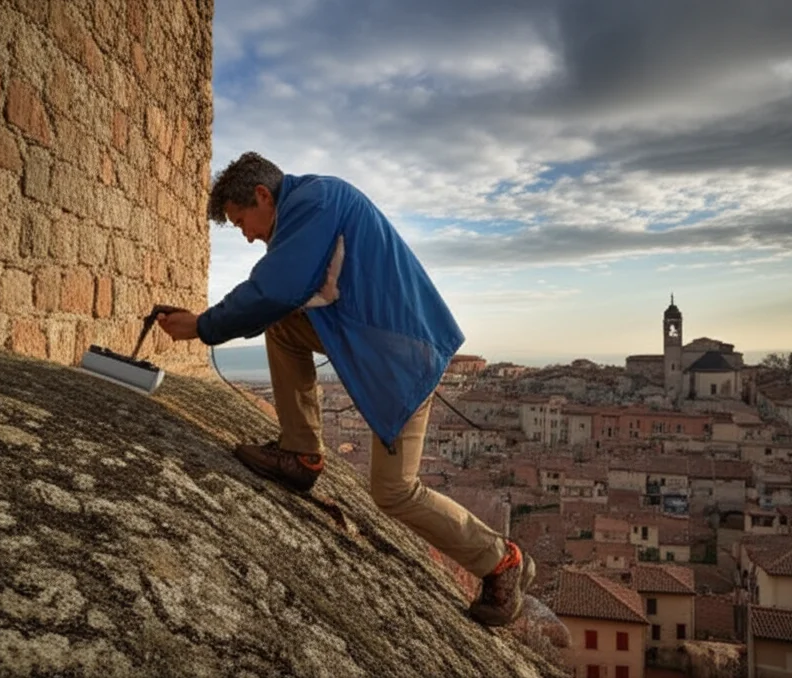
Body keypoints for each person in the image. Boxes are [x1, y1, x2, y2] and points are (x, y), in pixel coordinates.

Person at [156, 152, 534, 626]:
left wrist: (202, 326)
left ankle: (501, 561)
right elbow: (283, 298)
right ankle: (301, 452)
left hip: (403, 361)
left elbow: (274, 287)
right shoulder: (310, 205)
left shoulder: (314, 202)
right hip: (386, 350)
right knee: (282, 326)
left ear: (262, 196)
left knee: (394, 491)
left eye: (241, 222)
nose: (248, 235)